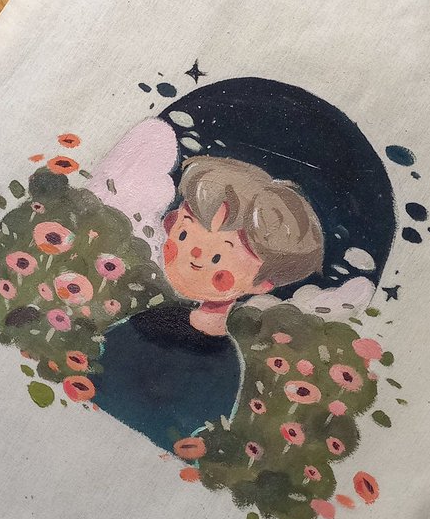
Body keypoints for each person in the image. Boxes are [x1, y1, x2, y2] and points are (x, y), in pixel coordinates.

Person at [93, 157, 323, 453]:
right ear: (171, 222)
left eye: (218, 257)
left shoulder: (221, 367)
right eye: (184, 234)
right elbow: (100, 360)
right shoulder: (155, 319)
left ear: (262, 284)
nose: (193, 256)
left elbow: (186, 438)